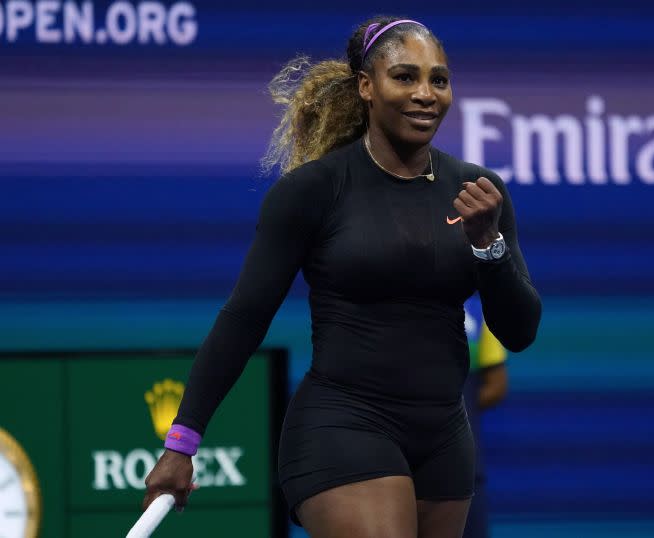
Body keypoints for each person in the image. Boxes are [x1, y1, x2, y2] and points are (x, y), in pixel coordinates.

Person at [142, 15, 541, 538]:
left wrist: (489, 245)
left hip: (445, 438)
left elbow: (519, 331)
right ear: (366, 87)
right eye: (405, 77)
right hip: (342, 427)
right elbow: (244, 317)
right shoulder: (315, 190)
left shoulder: (478, 191)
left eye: (438, 80)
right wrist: (181, 443)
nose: (425, 94)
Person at [462, 295, 508, 538]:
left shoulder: (478, 310)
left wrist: (447, 411)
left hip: (467, 465)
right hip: (401, 466)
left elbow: (497, 384)